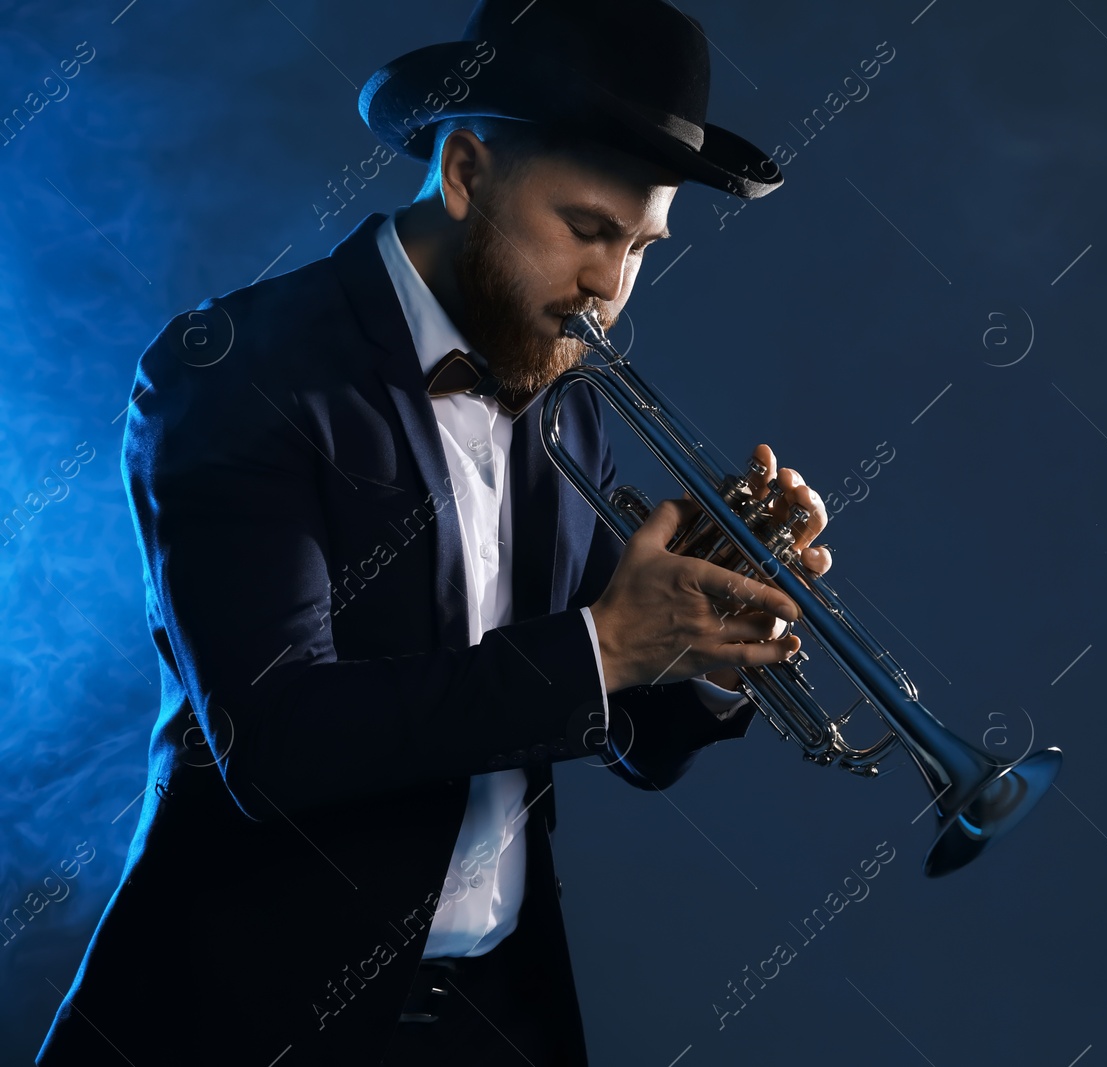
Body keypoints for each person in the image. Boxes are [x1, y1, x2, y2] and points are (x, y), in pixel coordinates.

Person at [35, 0, 829, 1062]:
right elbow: (275, 744)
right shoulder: (236, 371)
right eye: (589, 229)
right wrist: (605, 646)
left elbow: (618, 725)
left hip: (497, 1011)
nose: (611, 286)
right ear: (464, 172)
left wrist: (699, 648)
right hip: (252, 1018)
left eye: (642, 245)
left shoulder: (567, 397)